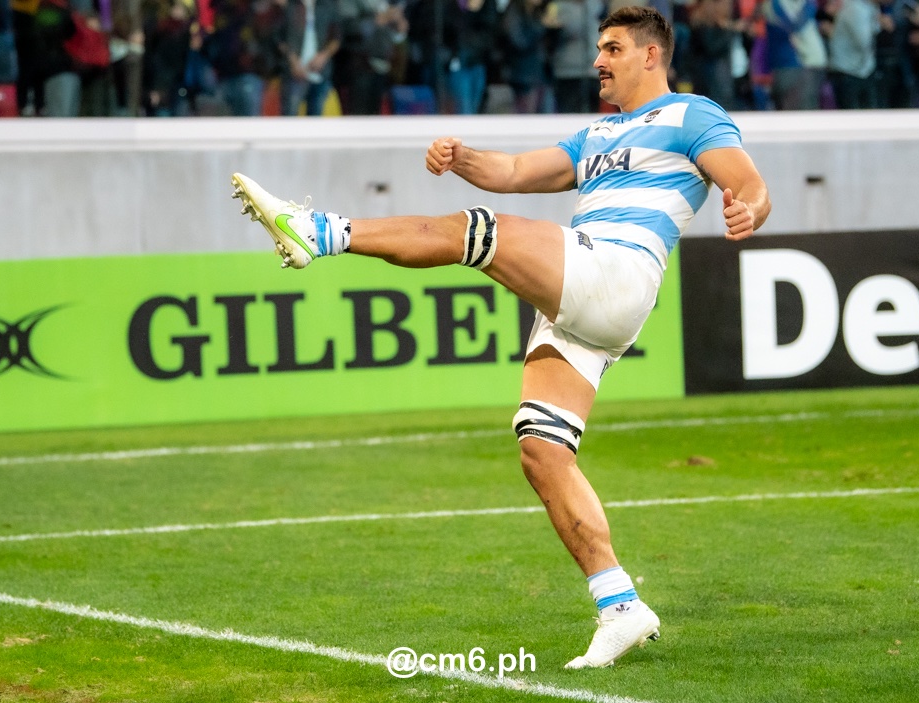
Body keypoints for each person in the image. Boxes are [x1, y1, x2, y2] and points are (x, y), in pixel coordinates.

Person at [231, 5, 770, 669]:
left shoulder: (693, 115)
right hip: (587, 292)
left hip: (619, 267)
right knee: (542, 447)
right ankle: (620, 604)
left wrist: (748, 207)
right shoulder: (599, 133)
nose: (597, 60)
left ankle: (320, 232)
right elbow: (514, 173)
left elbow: (748, 183)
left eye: (611, 48)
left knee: (478, 231)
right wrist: (461, 158)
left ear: (650, 55)